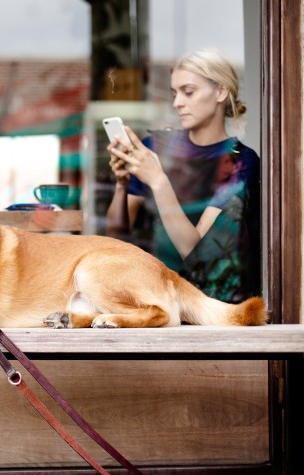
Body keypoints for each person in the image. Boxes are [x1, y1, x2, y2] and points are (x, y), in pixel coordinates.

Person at [106, 49, 261, 302]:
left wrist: (158, 181)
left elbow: (195, 251)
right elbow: (116, 234)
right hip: (153, 296)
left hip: (212, 302)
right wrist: (122, 185)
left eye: (188, 92)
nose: (178, 102)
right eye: (175, 93)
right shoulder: (155, 147)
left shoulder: (240, 161)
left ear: (221, 92)